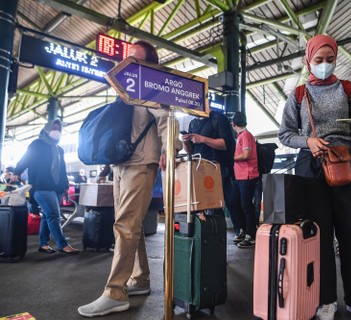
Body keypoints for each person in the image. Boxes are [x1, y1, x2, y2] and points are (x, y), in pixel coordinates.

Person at [78, 40, 182, 317]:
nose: (129, 63)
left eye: (137, 59)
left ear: (150, 64)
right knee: (127, 225)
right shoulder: (126, 88)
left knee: (125, 225)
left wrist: (168, 150)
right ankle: (140, 279)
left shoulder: (150, 85)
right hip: (122, 164)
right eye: (128, 58)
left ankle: (115, 292)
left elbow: (166, 120)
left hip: (141, 164)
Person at [278, 35, 351, 320]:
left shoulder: (348, 89)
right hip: (311, 165)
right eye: (318, 60)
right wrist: (307, 142)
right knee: (318, 236)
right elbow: (285, 133)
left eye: (329, 60)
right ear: (309, 60)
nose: (324, 65)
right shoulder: (297, 94)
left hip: (346, 162)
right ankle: (325, 300)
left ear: (336, 59)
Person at [11, 119, 79, 255]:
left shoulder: (59, 149)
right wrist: (16, 172)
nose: (56, 131)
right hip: (41, 185)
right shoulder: (37, 144)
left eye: (59, 128)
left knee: (47, 216)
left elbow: (62, 169)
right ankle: (62, 244)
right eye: (54, 127)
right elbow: (26, 159)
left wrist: (65, 186)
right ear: (47, 129)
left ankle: (43, 244)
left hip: (57, 187)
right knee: (54, 215)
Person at [181, 110, 242, 240]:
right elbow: (191, 151)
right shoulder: (193, 123)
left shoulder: (218, 118)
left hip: (218, 168)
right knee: (204, 205)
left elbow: (226, 144)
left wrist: (202, 139)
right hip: (199, 169)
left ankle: (240, 230)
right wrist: (186, 142)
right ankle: (212, 235)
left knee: (229, 202)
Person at [231, 112, 259, 248]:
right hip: (240, 176)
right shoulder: (241, 136)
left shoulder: (246, 136)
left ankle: (251, 235)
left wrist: (233, 158)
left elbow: (247, 154)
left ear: (233, 124)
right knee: (235, 202)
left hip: (247, 176)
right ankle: (244, 230)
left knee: (246, 206)